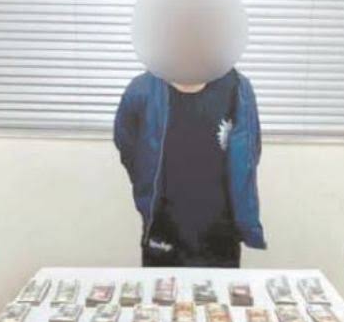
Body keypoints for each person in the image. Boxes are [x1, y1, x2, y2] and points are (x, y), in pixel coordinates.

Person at [114, 68, 266, 268]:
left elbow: (249, 153)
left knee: (219, 288)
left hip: (221, 236)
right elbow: (128, 146)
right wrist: (146, 186)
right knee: (161, 288)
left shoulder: (238, 89)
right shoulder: (142, 90)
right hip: (163, 231)